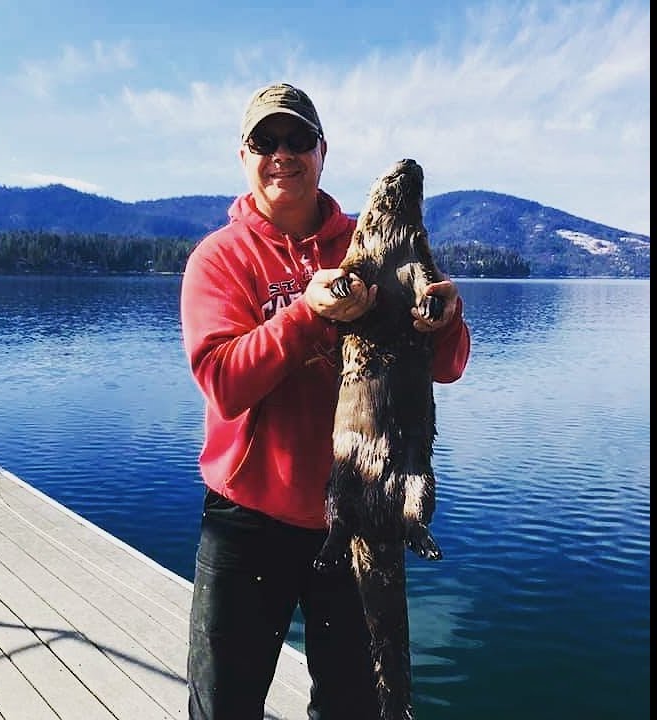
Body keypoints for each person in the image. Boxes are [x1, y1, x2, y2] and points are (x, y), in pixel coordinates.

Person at [179, 82, 471, 720]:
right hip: (248, 521)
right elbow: (224, 383)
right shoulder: (220, 260)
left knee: (356, 707)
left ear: (321, 151)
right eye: (265, 141)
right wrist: (306, 315)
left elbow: (446, 366)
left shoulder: (373, 242)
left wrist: (444, 317)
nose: (281, 154)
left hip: (363, 518)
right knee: (222, 705)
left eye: (297, 140)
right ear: (244, 156)